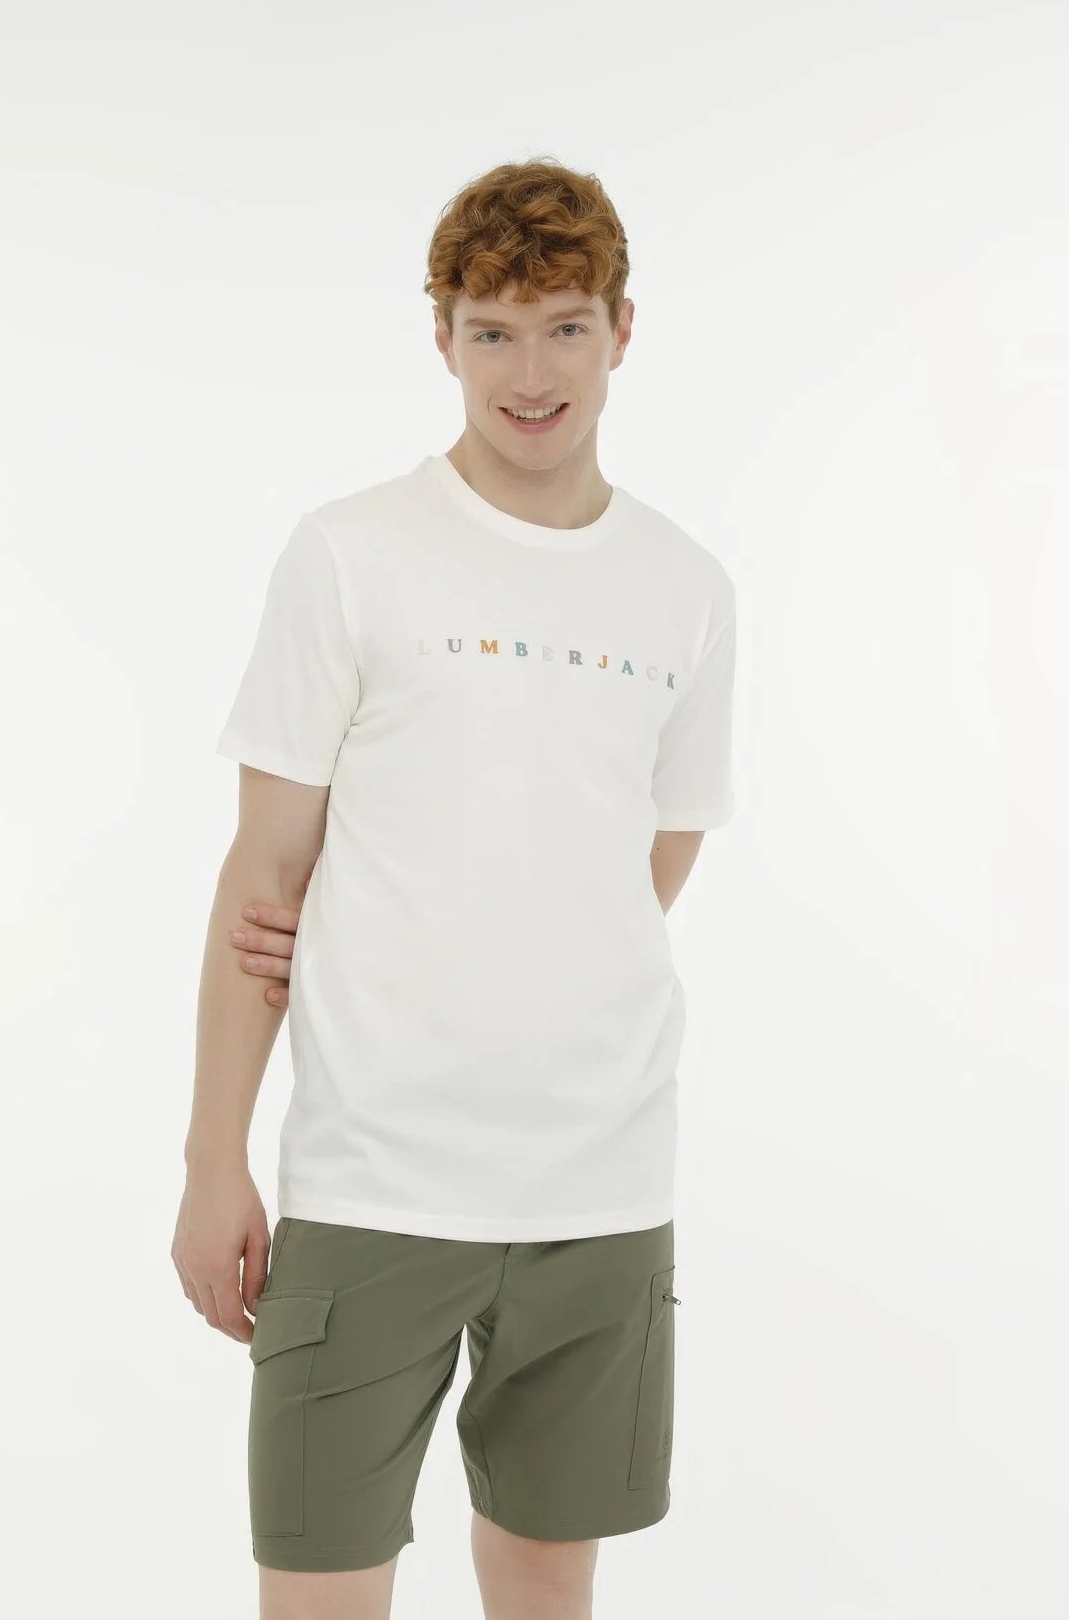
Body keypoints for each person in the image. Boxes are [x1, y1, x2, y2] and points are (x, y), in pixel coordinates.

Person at [172, 157, 737, 1620]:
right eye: (493, 332)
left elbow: (651, 858)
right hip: (371, 1184)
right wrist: (214, 1159)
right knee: (318, 1588)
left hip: (600, 1190)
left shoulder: (685, 587)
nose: (530, 374)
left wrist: (524, 950)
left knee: (547, 1584)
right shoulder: (352, 554)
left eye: (564, 327)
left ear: (623, 330)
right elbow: (264, 878)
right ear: (442, 338)